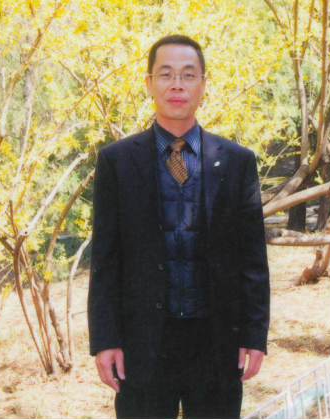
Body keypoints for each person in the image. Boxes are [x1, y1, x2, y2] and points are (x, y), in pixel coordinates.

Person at [87, 34, 270, 419]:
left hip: (216, 342)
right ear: (149, 83)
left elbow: (252, 259)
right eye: (166, 74)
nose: (177, 85)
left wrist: (254, 336)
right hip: (142, 344)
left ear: (203, 84)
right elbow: (105, 260)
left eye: (188, 75)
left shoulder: (236, 161)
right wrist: (105, 340)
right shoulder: (117, 162)